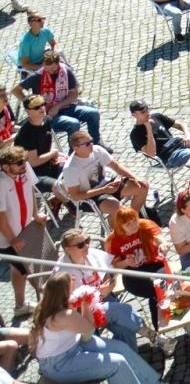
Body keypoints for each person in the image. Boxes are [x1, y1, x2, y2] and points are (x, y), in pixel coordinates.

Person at [29, 272, 160, 384]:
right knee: (117, 363)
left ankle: (150, 381)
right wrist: (85, 303)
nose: (75, 287)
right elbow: (88, 332)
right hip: (60, 363)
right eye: (72, 286)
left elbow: (84, 337)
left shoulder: (50, 304)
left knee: (121, 348)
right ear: (64, 292)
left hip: (74, 346)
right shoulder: (63, 315)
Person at [55, 228, 146, 349]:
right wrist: (95, 295)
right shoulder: (62, 271)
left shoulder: (92, 253)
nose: (87, 246)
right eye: (81, 245)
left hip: (104, 298)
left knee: (125, 329)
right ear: (67, 250)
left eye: (87, 240)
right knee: (119, 312)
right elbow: (67, 305)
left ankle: (130, 357)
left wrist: (110, 285)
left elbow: (108, 271)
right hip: (82, 312)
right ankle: (146, 333)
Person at [127, 100, 190, 203]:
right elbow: (151, 153)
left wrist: (187, 135)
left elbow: (181, 124)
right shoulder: (136, 134)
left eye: (147, 109)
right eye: (143, 111)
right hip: (170, 156)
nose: (147, 112)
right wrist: (149, 129)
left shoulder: (156, 116)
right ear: (134, 115)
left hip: (181, 143)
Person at [59, 130, 150, 221]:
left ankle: (134, 219)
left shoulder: (97, 149)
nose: (91, 145)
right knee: (118, 209)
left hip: (107, 185)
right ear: (76, 148)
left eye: (91, 141)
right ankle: (119, 229)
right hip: (90, 197)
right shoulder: (71, 168)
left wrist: (134, 177)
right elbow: (76, 196)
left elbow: (116, 166)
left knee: (143, 186)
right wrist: (103, 190)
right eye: (86, 144)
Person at [0, 145, 47, 314]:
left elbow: (31, 191)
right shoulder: (1, 183)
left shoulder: (24, 170)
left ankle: (19, 305)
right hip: (8, 238)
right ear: (6, 166)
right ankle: (48, 306)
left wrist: (35, 214)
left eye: (25, 160)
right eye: (19, 162)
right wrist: (12, 239)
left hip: (25, 229)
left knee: (19, 270)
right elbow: (1, 217)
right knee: (28, 269)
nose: (24, 164)